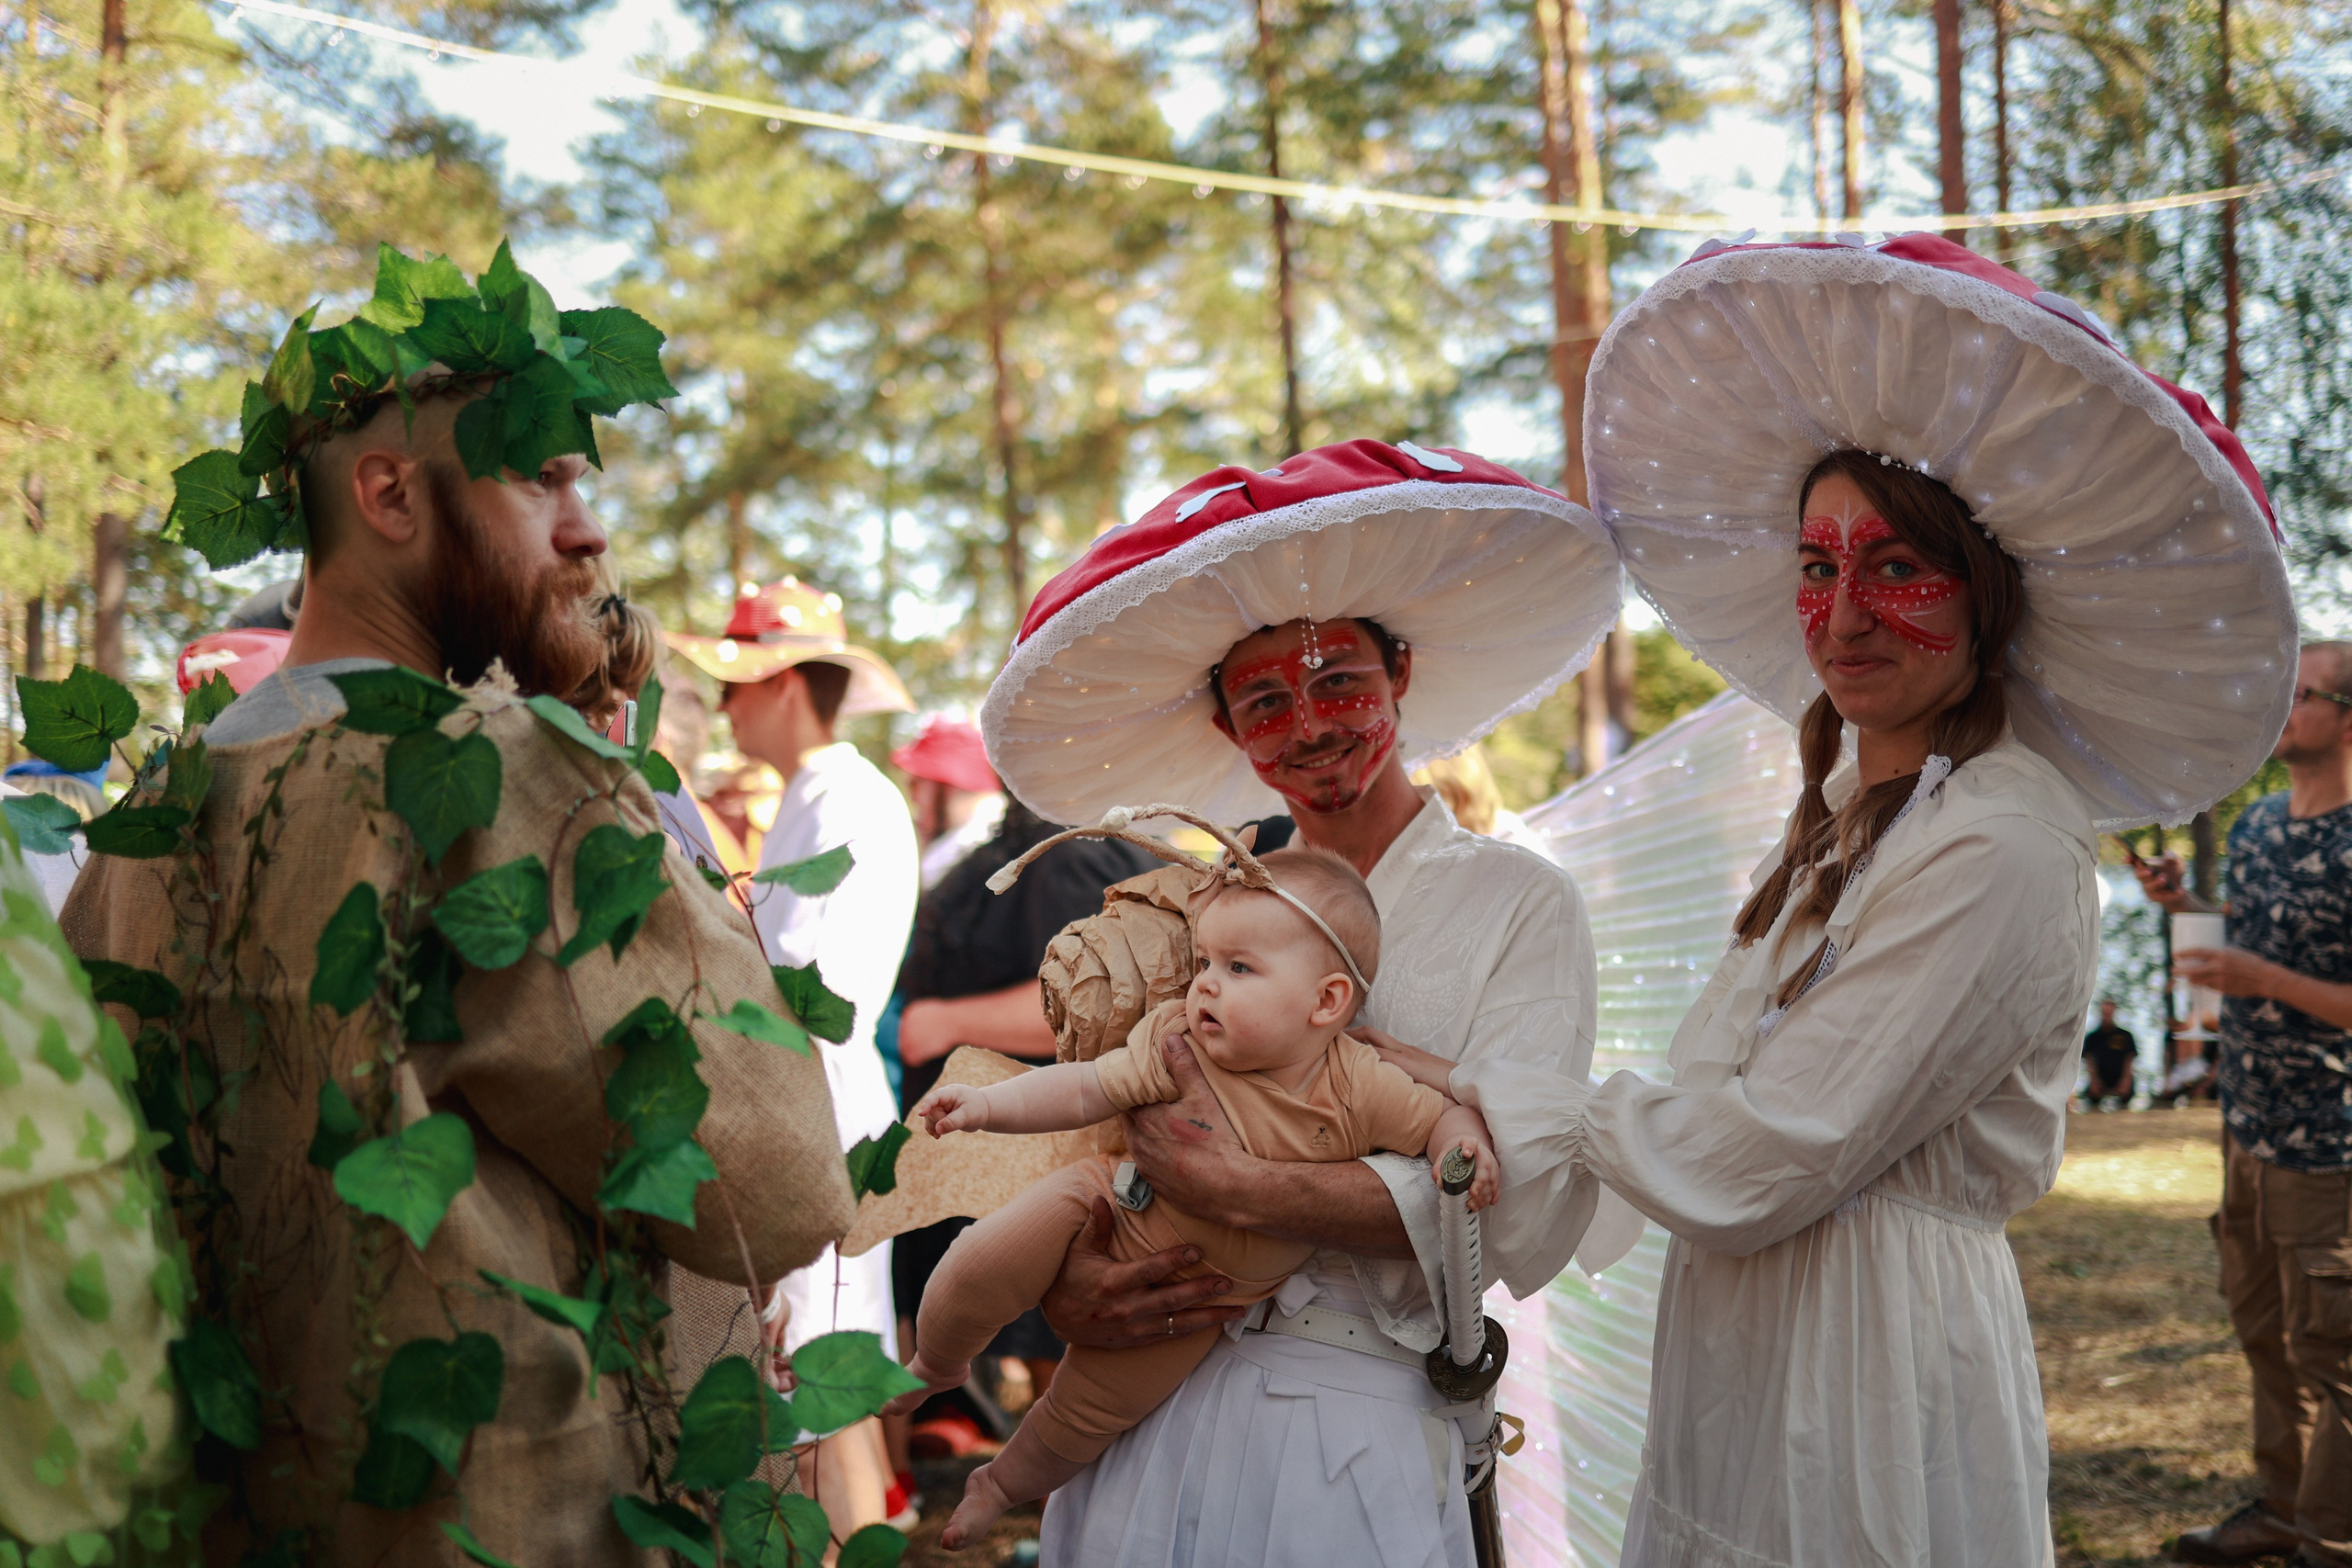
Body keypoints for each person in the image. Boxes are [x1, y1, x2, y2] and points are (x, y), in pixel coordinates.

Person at [60, 251, 854, 1562]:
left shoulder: (152, 812)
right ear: (388, 492)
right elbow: (775, 1182)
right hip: (505, 1524)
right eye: (539, 476)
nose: (585, 526)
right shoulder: (498, 769)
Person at [1543, 232, 2296, 1566]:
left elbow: (1774, 1146)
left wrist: (1545, 1112)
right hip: (1749, 1325)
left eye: (1897, 566)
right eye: (1819, 565)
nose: (1844, 614)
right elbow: (1715, 1089)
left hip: (1870, 1348)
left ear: (1988, 599)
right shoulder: (1847, 826)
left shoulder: (2003, 838)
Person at [979, 437, 1623, 1567]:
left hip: (1354, 1417)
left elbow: (1513, 1192)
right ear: (1225, 731)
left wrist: (1236, 1185)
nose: (1312, 724)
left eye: (1340, 683)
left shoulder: (1518, 903)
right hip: (1149, 1401)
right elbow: (1105, 1138)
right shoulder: (1194, 905)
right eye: (1265, 701)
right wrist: (1077, 1286)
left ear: (1400, 678)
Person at [901, 842, 1501, 1547]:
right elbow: (1086, 1086)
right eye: (1204, 964)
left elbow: (1439, 1116)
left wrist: (1463, 1150)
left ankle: (999, 1484)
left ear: (1327, 999)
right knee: (987, 1252)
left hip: (1199, 1299)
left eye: (1238, 968)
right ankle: (936, 1362)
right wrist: (989, 1104)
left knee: (1089, 1411)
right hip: (1108, 1202)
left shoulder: (1358, 1083)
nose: (1206, 986)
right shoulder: (1178, 1037)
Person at [668, 576, 920, 1541]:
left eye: (734, 684)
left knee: (818, 1404)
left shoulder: (839, 796)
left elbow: (798, 988)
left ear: (778, 685)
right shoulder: (830, 793)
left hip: (817, 1113)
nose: (726, 706)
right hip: (817, 1108)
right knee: (820, 1399)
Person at [2134, 640, 2352, 1568]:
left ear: (2347, 716)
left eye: (2298, 694)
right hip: (2248, 1129)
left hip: (2331, 1143)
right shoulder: (2260, 826)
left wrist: (2262, 976)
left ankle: (2332, 1538)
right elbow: (2234, 957)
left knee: (2334, 1354)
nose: (2278, 708)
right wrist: (2184, 904)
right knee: (2262, 1330)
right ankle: (2278, 1504)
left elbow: (2271, 975)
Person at [894, 715, 1007, 889]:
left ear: (947, 784)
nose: (913, 797)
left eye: (915, 783)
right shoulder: (996, 833)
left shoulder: (968, 849)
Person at [2083, 997, 2140, 1111]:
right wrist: (2094, 1081)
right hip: (2101, 1079)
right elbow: (2089, 1061)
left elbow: (2129, 1059)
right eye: (2104, 1012)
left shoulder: (2125, 1036)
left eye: (2109, 1012)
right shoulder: (2093, 1037)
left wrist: (2126, 1081)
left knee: (2127, 1096)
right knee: (2090, 1097)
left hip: (2120, 1078)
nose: (2107, 1015)